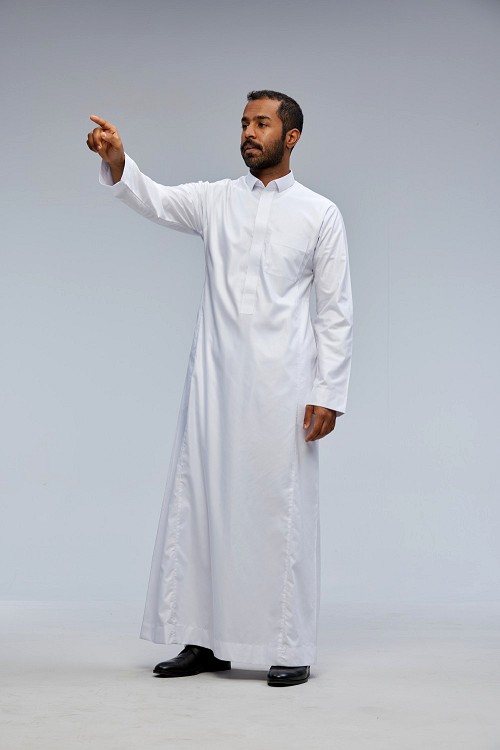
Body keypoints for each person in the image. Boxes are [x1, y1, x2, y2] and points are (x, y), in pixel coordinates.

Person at [86, 90, 353, 687]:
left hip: (285, 387)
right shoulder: (216, 200)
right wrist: (118, 160)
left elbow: (336, 310)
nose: (248, 133)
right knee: (202, 504)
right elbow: (154, 199)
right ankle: (203, 640)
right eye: (244, 123)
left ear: (291, 137)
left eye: (262, 123)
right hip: (214, 380)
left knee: (280, 511)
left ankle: (289, 644)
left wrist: (328, 392)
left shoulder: (320, 214)